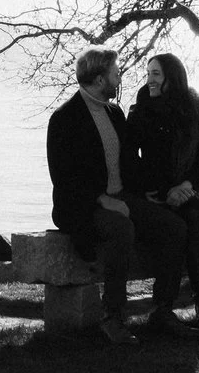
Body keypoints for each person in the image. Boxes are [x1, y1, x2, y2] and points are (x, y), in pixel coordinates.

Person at [45, 46, 188, 343]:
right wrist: (103, 200)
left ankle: (162, 310)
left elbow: (128, 163)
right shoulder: (64, 118)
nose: (120, 77)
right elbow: (64, 177)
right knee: (121, 227)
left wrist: (145, 194)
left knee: (173, 226)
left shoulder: (114, 112)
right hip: (83, 206)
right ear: (99, 79)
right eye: (115, 72)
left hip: (121, 197)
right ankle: (112, 317)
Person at [129, 51, 199, 337]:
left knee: (195, 219)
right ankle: (163, 309)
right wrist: (151, 191)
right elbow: (131, 158)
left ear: (173, 75)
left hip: (189, 191)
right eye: (147, 75)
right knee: (175, 227)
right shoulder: (142, 108)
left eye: (156, 74)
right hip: (155, 194)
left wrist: (187, 186)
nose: (150, 81)